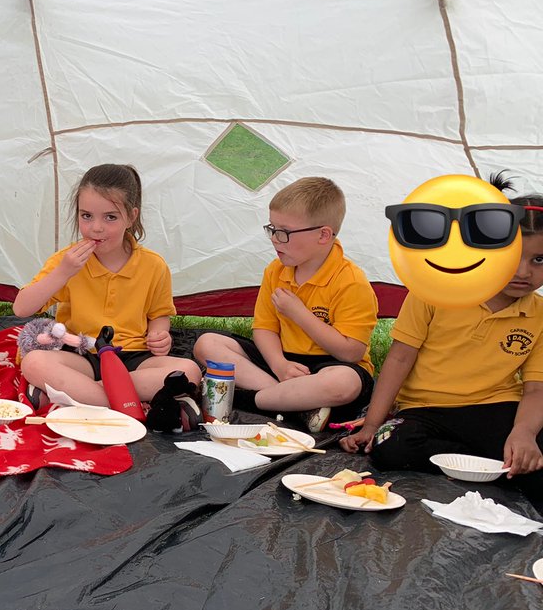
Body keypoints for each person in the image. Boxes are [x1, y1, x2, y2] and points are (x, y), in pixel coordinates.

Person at [341, 192, 543, 484]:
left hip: (495, 407)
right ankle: (492, 467)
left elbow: (536, 390)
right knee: (390, 447)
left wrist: (523, 433)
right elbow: (399, 357)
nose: (524, 271)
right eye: (513, 256)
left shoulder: (538, 315)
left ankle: (491, 464)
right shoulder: (433, 290)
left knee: (533, 446)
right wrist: (372, 423)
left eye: (539, 259)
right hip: (424, 409)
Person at [193, 176, 376, 431]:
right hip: (282, 362)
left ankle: (250, 399)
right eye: (272, 229)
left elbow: (351, 352)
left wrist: (300, 315)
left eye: (284, 232)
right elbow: (264, 329)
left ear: (323, 235)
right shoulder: (276, 271)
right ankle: (296, 403)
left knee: (344, 383)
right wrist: (279, 365)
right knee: (207, 344)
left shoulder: (351, 282)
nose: (275, 239)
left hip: (330, 365)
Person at [13, 164, 201, 406]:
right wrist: (63, 273)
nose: (96, 227)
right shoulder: (67, 261)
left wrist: (159, 334)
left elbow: (159, 314)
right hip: (82, 357)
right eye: (86, 216)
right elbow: (21, 309)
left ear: (131, 217)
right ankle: (124, 403)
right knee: (34, 362)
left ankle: (84, 396)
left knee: (189, 370)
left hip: (133, 359)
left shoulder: (154, 265)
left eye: (110, 217)